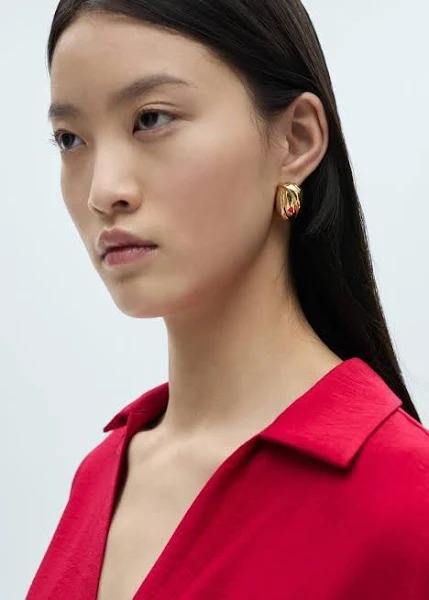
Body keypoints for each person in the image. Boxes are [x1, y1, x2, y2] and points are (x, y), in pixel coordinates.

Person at [27, 1, 429, 599]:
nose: (103, 190)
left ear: (296, 140)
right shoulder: (102, 473)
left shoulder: (404, 499)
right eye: (70, 139)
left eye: (151, 119)